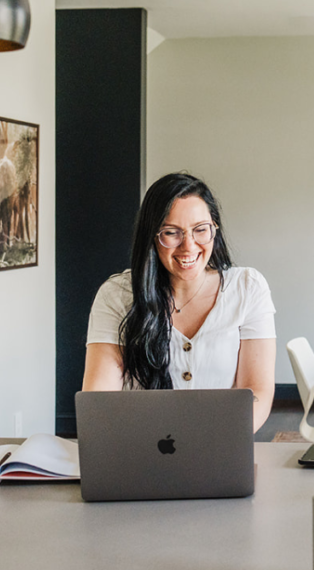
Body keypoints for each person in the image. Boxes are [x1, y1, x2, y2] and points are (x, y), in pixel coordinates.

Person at [82, 173, 276, 432]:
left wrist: (222, 439)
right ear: (152, 236)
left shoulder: (247, 288)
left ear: (214, 230)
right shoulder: (116, 295)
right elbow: (99, 400)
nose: (189, 245)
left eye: (200, 230)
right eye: (171, 232)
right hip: (140, 451)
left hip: (222, 447)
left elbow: (257, 391)